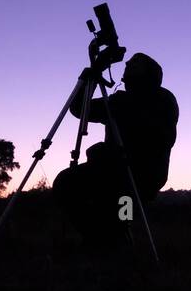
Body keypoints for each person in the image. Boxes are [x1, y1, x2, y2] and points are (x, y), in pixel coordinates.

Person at [53, 52, 178, 247]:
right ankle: (99, 239)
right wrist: (90, 77)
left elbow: (161, 137)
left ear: (150, 73)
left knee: (123, 211)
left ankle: (114, 239)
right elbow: (79, 108)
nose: (127, 64)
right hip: (109, 171)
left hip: (141, 177)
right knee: (66, 183)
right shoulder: (118, 102)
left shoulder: (163, 99)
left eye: (135, 63)